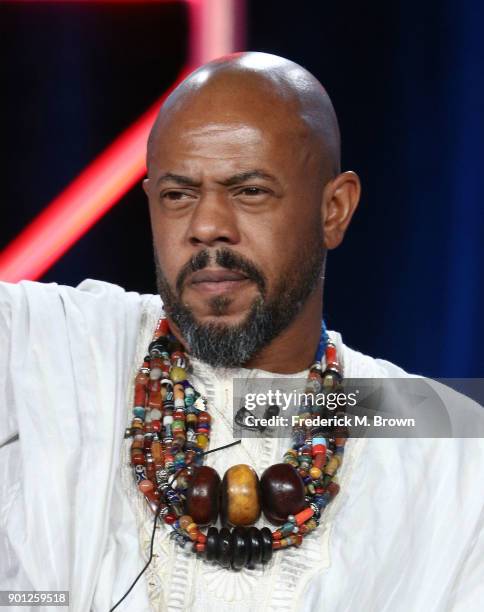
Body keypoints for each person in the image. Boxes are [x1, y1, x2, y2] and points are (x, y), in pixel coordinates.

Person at [0, 52, 483, 612]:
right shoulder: (56, 348)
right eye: (178, 195)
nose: (207, 227)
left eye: (250, 191)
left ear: (335, 210)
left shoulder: (441, 443)